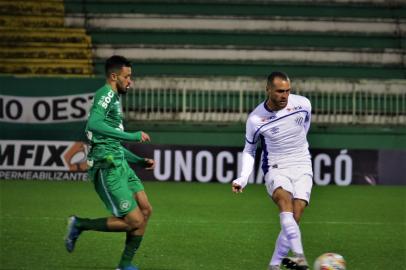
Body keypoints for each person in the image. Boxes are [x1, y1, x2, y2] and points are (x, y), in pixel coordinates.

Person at [65, 55, 155, 270]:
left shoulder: (114, 99)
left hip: (119, 161)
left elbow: (112, 141)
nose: (130, 81)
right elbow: (93, 123)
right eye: (127, 77)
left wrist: (139, 161)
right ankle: (79, 224)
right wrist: (133, 136)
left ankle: (124, 265)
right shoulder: (105, 94)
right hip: (107, 166)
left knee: (145, 210)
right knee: (134, 220)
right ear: (114, 76)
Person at [232, 72, 312, 270]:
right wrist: (243, 177)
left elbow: (304, 128)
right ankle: (300, 257)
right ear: (268, 90)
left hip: (302, 163)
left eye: (287, 91)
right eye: (279, 91)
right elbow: (249, 150)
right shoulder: (256, 119)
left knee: (296, 213)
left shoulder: (303, 104)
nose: (284, 95)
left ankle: (274, 266)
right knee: (285, 202)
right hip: (276, 166)